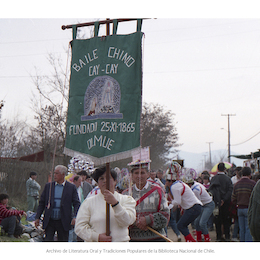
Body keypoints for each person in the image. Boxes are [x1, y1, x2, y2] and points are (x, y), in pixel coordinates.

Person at [75, 166, 136, 242]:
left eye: (108, 178)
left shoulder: (126, 200)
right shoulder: (88, 203)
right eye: (101, 179)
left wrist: (115, 204)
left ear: (115, 181)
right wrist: (97, 237)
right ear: (98, 183)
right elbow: (79, 227)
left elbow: (127, 221)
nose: (105, 181)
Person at [126, 160, 170, 242]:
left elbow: (166, 215)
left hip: (156, 239)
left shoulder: (158, 191)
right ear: (131, 175)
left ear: (148, 174)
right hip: (133, 240)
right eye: (136, 173)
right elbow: (121, 217)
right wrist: (137, 222)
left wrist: (147, 220)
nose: (139, 176)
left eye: (142, 173)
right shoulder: (125, 194)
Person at [35, 165, 80, 242]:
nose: (54, 175)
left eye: (57, 173)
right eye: (54, 173)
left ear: (63, 175)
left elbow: (76, 203)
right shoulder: (48, 186)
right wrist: (37, 217)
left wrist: (75, 216)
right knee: (48, 240)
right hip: (50, 220)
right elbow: (42, 203)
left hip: (63, 221)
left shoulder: (71, 187)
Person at [166, 162, 202, 242]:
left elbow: (177, 201)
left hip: (193, 207)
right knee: (183, 225)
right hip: (194, 207)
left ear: (169, 181)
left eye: (166, 181)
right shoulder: (179, 183)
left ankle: (192, 241)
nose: (166, 184)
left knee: (181, 225)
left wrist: (168, 205)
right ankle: (189, 241)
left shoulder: (174, 186)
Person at [182, 168, 215, 242]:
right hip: (203, 204)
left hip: (208, 204)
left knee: (202, 222)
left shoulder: (195, 190)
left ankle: (207, 239)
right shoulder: (196, 185)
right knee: (197, 222)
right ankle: (199, 239)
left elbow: (197, 203)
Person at [208, 162, 233, 241]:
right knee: (226, 219)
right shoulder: (228, 179)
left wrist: (218, 200)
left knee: (217, 220)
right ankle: (227, 236)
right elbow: (230, 190)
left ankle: (219, 237)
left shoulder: (214, 179)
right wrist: (224, 199)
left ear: (217, 169)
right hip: (226, 203)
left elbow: (211, 191)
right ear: (225, 169)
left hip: (216, 203)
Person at [231, 166, 255, 242]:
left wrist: (237, 204)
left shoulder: (236, 184)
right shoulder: (253, 184)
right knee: (248, 228)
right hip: (249, 208)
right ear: (250, 174)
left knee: (242, 229)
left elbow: (233, 198)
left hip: (239, 208)